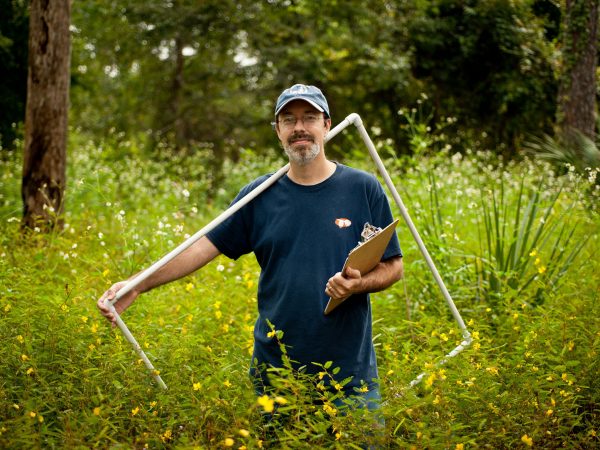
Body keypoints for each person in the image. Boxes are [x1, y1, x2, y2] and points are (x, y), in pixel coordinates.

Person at [97, 84, 403, 413]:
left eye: (309, 117)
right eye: (288, 119)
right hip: (276, 377)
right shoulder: (259, 195)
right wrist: (136, 285)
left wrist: (357, 284)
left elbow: (392, 267)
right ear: (278, 131)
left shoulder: (362, 188)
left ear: (327, 124)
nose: (299, 127)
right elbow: (200, 246)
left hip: (350, 379)